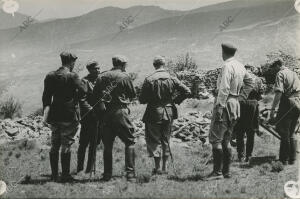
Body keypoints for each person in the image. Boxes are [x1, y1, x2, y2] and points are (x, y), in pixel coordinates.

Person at [139, 56, 191, 175]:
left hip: (153, 112)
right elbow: (187, 91)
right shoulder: (172, 78)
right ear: (164, 65)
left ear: (154, 65)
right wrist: (176, 101)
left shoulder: (149, 79)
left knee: (154, 140)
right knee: (166, 139)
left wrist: (151, 98)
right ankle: (165, 167)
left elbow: (142, 99)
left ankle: (157, 168)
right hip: (169, 111)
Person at [208, 43, 253, 179]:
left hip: (225, 103)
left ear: (223, 52)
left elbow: (224, 88)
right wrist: (240, 97)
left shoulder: (227, 66)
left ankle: (217, 172)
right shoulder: (240, 66)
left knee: (216, 139)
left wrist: (220, 106)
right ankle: (226, 171)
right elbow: (250, 82)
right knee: (226, 140)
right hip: (235, 104)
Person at [42, 52, 85, 182]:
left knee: (54, 144)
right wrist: (74, 100)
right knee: (67, 143)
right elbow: (83, 90)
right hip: (68, 114)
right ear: (71, 62)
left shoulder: (50, 76)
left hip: (54, 114)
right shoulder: (72, 76)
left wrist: (45, 115)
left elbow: (46, 98)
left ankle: (54, 175)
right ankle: (65, 175)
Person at [93, 55, 136, 181]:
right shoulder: (125, 76)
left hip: (105, 113)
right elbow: (132, 94)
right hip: (120, 112)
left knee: (107, 145)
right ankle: (130, 174)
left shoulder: (102, 76)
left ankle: (107, 175)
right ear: (122, 64)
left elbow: (95, 95)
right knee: (130, 142)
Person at [269, 58, 300, 165]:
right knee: (292, 132)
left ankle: (284, 159)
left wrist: (272, 109)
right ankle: (293, 158)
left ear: (278, 65)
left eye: (273, 68)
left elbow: (278, 93)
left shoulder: (280, 74)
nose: (273, 70)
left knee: (284, 132)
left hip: (287, 103)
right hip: (297, 103)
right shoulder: (294, 73)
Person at [234, 65, 263, 162]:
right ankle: (249, 156)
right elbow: (260, 96)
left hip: (240, 104)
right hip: (253, 105)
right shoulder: (258, 80)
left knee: (239, 131)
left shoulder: (239, 78)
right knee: (251, 131)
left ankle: (240, 155)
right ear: (253, 69)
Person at [77, 61, 101, 174]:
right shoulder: (84, 82)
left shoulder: (100, 80)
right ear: (89, 70)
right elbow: (82, 100)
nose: (98, 70)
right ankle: (80, 168)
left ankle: (89, 168)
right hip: (88, 118)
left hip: (98, 117)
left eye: (98, 68)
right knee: (83, 143)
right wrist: (91, 110)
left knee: (94, 143)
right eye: (95, 69)